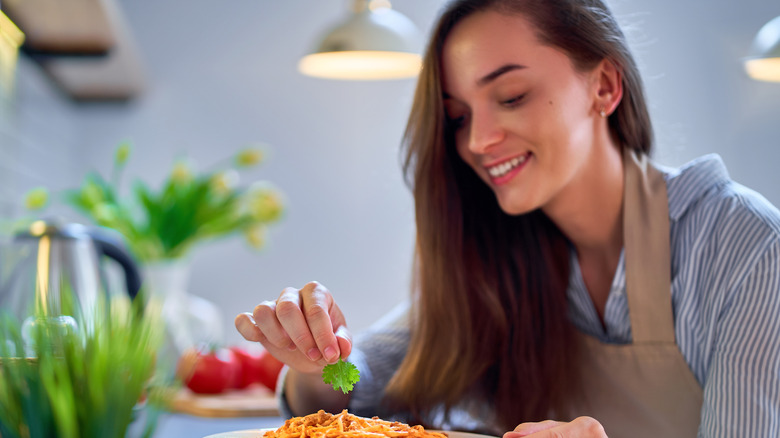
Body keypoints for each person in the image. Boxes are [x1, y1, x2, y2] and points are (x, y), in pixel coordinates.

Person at [236, 0, 780, 436]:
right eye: (458, 116)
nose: (476, 142)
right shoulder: (500, 255)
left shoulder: (745, 247)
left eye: (513, 96)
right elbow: (364, 384)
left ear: (605, 87)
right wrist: (321, 361)